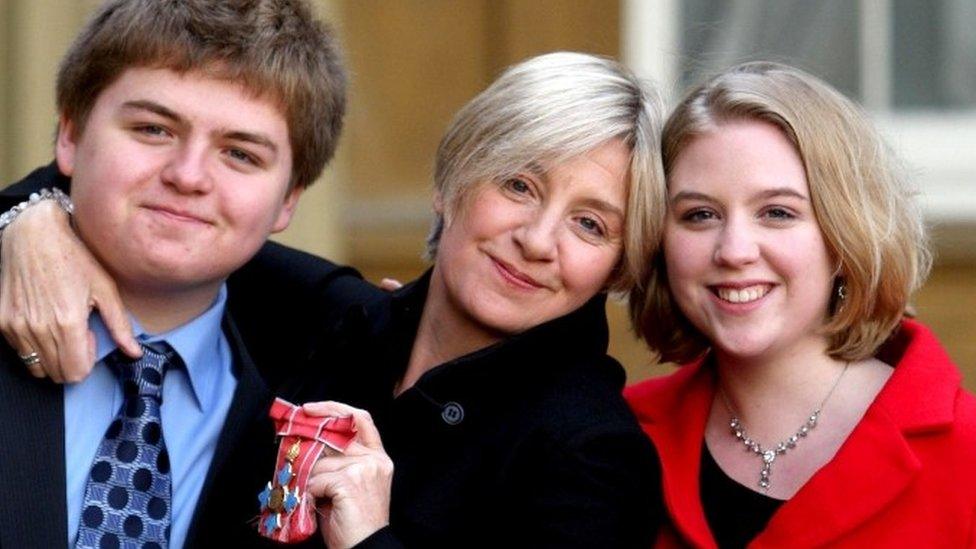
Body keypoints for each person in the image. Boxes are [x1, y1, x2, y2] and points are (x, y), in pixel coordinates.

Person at [1, 52, 667, 546]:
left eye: (591, 224)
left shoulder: (594, 456)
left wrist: (373, 538)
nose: (537, 239)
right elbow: (175, 220)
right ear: (450, 180)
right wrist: (32, 217)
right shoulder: (334, 317)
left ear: (619, 264)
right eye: (519, 185)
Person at [0, 0, 358, 547]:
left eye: (240, 154)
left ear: (287, 201)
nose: (188, 176)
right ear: (68, 136)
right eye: (153, 129)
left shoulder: (315, 408)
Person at [624, 61, 976, 547]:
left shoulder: (966, 455)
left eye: (777, 213)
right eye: (700, 214)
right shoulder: (619, 439)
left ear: (844, 234)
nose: (735, 250)